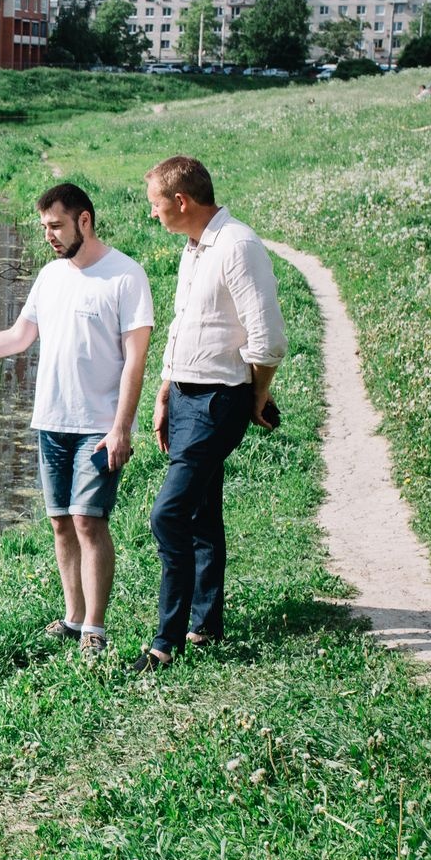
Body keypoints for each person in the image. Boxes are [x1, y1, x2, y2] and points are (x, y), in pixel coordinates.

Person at [0, 182, 153, 661]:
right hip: (52, 421)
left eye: (57, 226)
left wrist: (122, 426)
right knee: (61, 523)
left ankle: (96, 630)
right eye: (44, 228)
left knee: (89, 520)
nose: (50, 236)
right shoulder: (51, 276)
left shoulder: (126, 276)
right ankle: (72, 619)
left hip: (98, 426)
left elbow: (135, 361)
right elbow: (19, 337)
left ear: (85, 220)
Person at [133, 156, 286, 672]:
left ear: (181, 202)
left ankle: (165, 641)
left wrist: (256, 399)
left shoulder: (239, 246)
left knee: (167, 514)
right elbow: (183, 327)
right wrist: (163, 393)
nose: (152, 215)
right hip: (183, 396)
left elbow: (268, 341)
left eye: (156, 205)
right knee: (199, 513)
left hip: (220, 398)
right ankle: (206, 624)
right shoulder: (193, 249)